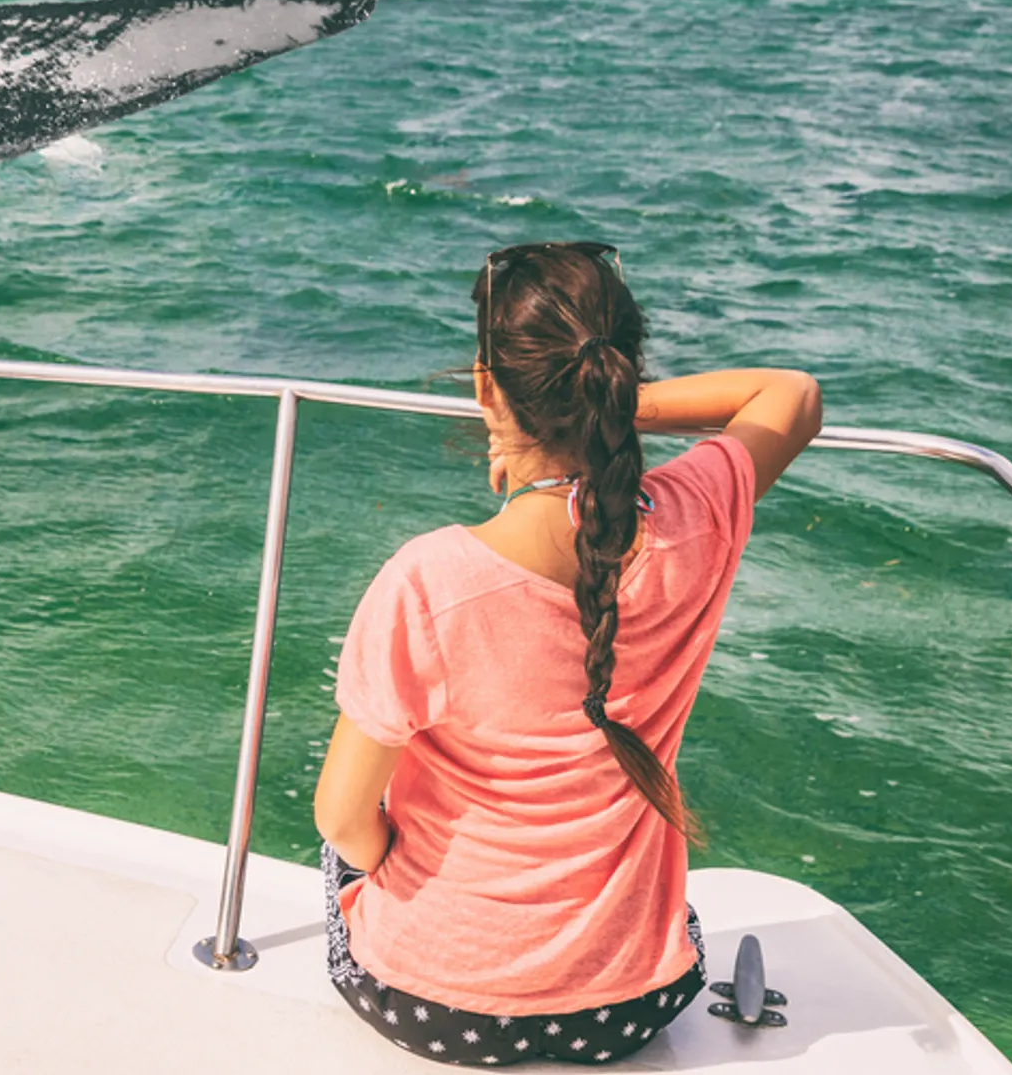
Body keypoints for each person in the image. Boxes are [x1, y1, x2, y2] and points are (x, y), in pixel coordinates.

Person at [312, 241, 823, 1066]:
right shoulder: (698, 518)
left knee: (347, 838)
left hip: (432, 1001)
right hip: (629, 1003)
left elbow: (341, 819)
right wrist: (607, 411)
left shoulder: (430, 580)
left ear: (487, 389)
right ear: (617, 378)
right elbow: (793, 395)